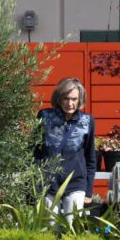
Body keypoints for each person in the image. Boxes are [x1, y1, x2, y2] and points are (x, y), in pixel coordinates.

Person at [34, 77, 96, 224]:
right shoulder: (44, 116)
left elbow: (90, 156)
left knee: (72, 227)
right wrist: (37, 181)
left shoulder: (87, 120)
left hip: (76, 182)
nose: (70, 103)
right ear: (59, 98)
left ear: (80, 99)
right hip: (48, 183)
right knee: (50, 228)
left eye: (74, 99)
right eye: (66, 98)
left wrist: (89, 190)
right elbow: (34, 150)